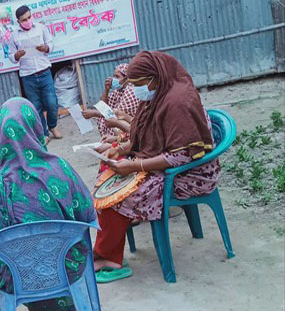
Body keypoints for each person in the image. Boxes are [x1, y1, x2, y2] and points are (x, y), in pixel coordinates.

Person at [93, 51, 221, 282]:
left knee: (118, 195)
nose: (138, 90)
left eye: (140, 84)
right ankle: (109, 248)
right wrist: (121, 150)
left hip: (189, 175)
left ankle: (108, 257)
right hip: (168, 165)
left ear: (155, 77)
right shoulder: (156, 96)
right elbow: (146, 134)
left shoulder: (178, 101)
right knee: (108, 176)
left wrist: (135, 166)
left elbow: (182, 155)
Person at [0, 97, 96, 311]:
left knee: (13, 252)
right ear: (35, 127)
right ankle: (58, 306)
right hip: (67, 268)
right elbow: (86, 214)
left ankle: (36, 306)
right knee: (61, 246)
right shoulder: (60, 169)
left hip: (17, 277)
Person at [8, 5, 62, 140]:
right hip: (28, 75)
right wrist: (17, 55)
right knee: (35, 106)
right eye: (24, 19)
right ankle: (43, 133)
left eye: (29, 17)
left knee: (51, 102)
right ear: (18, 21)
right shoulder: (14, 35)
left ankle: (53, 125)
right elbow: (10, 56)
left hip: (44, 71)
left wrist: (46, 47)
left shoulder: (41, 28)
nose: (28, 21)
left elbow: (51, 43)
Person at [82, 63, 140, 141]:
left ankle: (121, 140)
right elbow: (102, 106)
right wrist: (107, 89)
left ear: (126, 78)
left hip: (134, 125)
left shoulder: (131, 91)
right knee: (105, 118)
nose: (113, 79)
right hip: (127, 122)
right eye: (114, 76)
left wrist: (94, 113)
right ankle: (113, 140)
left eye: (117, 77)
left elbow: (117, 114)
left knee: (113, 121)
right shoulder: (119, 90)